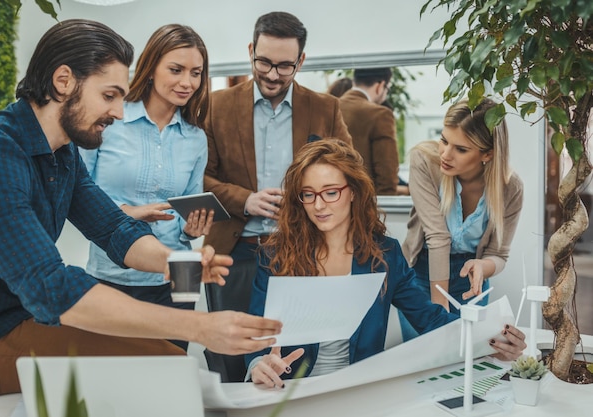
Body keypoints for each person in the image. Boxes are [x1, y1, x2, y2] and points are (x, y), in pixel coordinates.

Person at [0, 19, 281, 397]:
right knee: (164, 377)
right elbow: (49, 287)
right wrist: (200, 328)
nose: (118, 112)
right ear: (63, 81)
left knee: (173, 366)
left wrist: (176, 263)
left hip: (25, 317)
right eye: (109, 95)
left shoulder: (63, 153)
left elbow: (114, 228)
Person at [245, 139, 526, 387]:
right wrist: (258, 365)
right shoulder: (275, 256)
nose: (318, 205)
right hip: (291, 393)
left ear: (353, 192)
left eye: (331, 192)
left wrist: (491, 341)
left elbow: (430, 318)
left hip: (361, 391)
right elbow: (255, 336)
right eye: (308, 194)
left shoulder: (384, 255)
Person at [202, 11, 352, 381]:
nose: (272, 74)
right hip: (234, 251)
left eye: (285, 66)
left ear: (301, 61)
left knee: (295, 353)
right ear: (251, 50)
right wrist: (244, 200)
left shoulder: (325, 109)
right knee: (232, 352)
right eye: (264, 62)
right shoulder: (216, 106)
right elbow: (199, 178)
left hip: (302, 248)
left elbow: (350, 169)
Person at [78, 24, 213, 352]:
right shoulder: (109, 121)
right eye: (176, 70)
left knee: (172, 373)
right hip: (113, 272)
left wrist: (192, 227)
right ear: (150, 68)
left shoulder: (196, 139)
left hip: (180, 276)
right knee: (113, 378)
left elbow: (187, 210)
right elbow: (76, 193)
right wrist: (126, 213)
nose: (187, 82)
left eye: (196, 73)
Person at [399, 98, 524, 341]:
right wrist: (439, 312)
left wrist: (482, 267)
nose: (445, 154)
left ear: (487, 153)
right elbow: (437, 238)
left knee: (465, 360)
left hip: (470, 284)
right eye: (444, 140)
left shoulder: (511, 188)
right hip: (421, 274)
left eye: (461, 149)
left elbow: (499, 255)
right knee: (422, 359)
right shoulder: (424, 160)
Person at [339, 67, 400, 195]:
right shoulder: (380, 114)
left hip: (331, 197)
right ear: (380, 86)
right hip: (364, 201)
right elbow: (387, 173)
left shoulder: (329, 106)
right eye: (387, 89)